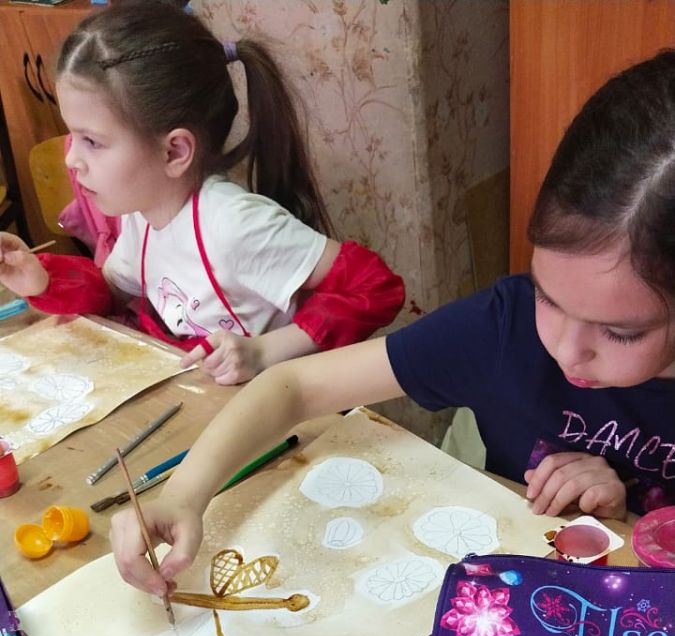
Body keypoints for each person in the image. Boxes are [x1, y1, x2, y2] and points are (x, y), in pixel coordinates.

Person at [111, 47, 675, 595]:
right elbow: (292, 387)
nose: (566, 349)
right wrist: (183, 494)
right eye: (547, 297)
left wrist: (629, 526)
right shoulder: (503, 326)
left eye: (620, 332)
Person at [0, 0, 404, 384]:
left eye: (92, 141)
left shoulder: (233, 225)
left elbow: (375, 286)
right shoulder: (142, 214)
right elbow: (111, 292)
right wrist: (42, 281)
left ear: (174, 151)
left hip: (277, 411)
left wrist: (264, 351)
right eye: (73, 135)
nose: (72, 159)